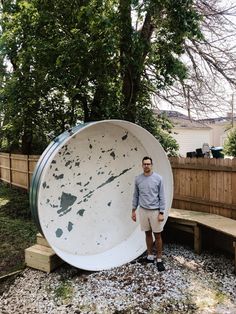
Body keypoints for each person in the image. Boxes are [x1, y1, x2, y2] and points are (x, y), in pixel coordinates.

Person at [131, 156, 166, 271]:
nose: (146, 166)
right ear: (142, 165)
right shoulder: (138, 179)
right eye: (144, 164)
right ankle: (150, 256)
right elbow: (135, 195)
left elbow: (162, 196)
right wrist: (133, 210)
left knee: (158, 235)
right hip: (143, 210)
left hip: (155, 211)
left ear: (151, 165)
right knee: (147, 233)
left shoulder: (158, 179)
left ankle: (159, 258)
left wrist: (161, 212)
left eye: (148, 164)